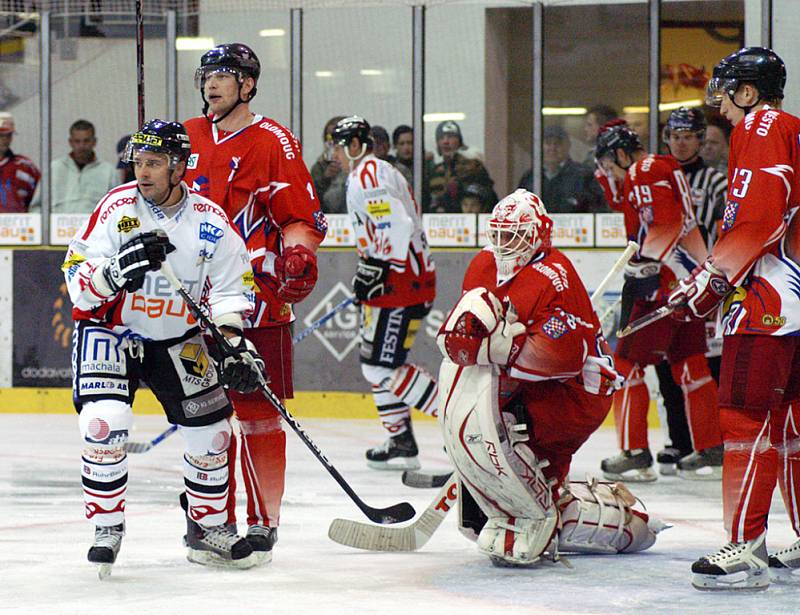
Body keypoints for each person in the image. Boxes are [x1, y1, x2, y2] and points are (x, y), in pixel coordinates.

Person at [63, 120, 261, 573]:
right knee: (103, 422)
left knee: (213, 433)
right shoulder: (117, 209)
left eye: (154, 163)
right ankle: (107, 525)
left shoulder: (210, 222)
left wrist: (233, 344)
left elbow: (233, 289)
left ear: (180, 168)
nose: (143, 172)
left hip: (177, 337)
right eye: (138, 162)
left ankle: (208, 527)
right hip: (110, 332)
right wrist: (116, 270)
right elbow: (76, 280)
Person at [436, 189, 663, 567]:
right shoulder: (483, 265)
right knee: (491, 434)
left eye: (515, 235)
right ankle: (547, 502)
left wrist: (499, 351)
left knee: (512, 439)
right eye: (499, 234)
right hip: (532, 386)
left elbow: (560, 360)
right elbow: (468, 333)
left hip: (577, 393)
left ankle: (602, 522)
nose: (505, 244)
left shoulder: (555, 276)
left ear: (539, 233)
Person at [184, 43, 326, 563]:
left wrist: (298, 257)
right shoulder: (188, 137)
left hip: (255, 303)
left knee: (259, 415)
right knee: (204, 417)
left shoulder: (274, 141)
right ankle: (210, 521)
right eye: (207, 76)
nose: (211, 85)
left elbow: (301, 219)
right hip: (191, 306)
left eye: (223, 75)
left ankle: (263, 523)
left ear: (247, 84)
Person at [670, 47, 800, 591]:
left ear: (748, 93)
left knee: (746, 422)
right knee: (792, 427)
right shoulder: (793, 127)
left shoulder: (761, 126)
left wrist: (711, 279)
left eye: (724, 93)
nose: (719, 107)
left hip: (765, 305)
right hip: (795, 304)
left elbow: (758, 216)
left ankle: (745, 547)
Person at [594, 122, 721, 483]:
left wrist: (645, 274)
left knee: (625, 364)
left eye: (608, 162)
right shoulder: (653, 169)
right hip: (689, 281)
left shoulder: (644, 171)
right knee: (689, 363)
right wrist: (607, 180)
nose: (607, 171)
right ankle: (711, 445)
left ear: (621, 153)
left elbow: (663, 227)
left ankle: (635, 452)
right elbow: (644, 215)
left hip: (663, 284)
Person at [331, 116, 437, 469]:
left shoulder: (368, 174)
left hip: (400, 285)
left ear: (355, 145)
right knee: (377, 364)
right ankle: (401, 441)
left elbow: (396, 224)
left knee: (381, 366)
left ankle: (460, 423)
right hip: (394, 282)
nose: (334, 154)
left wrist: (375, 267)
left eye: (337, 145)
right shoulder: (369, 172)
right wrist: (372, 269)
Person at [654, 106, 728, 477]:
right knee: (668, 366)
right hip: (666, 283)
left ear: (700, 139)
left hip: (706, 282)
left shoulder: (716, 182)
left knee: (707, 364)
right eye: (675, 137)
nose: (681, 143)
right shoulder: (659, 180)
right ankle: (679, 441)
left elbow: (726, 231)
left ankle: (712, 442)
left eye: (688, 137)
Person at [517, 125, 608, 214]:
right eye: (548, 143)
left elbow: (598, 211)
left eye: (557, 143)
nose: (552, 148)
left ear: (567, 146)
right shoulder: (530, 177)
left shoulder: (583, 175)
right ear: (540, 147)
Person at [48, 120, 118, 213]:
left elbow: (118, 206)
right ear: (70, 142)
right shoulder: (54, 168)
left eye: (86, 141)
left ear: (94, 142)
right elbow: (36, 208)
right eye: (77, 141)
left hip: (95, 226)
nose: (82, 146)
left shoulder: (109, 171)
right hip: (56, 227)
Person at [429, 120, 497, 213]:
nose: (445, 141)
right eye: (441, 138)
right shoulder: (433, 172)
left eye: (450, 137)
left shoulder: (477, 175)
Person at [0, 112, 40, 212]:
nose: (5, 139)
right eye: (1, 135)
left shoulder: (26, 166)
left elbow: (41, 199)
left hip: (18, 226)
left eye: (9, 135)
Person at [310, 115, 348, 213]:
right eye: (329, 137)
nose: (332, 141)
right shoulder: (319, 167)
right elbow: (311, 199)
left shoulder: (358, 163)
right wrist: (325, 179)